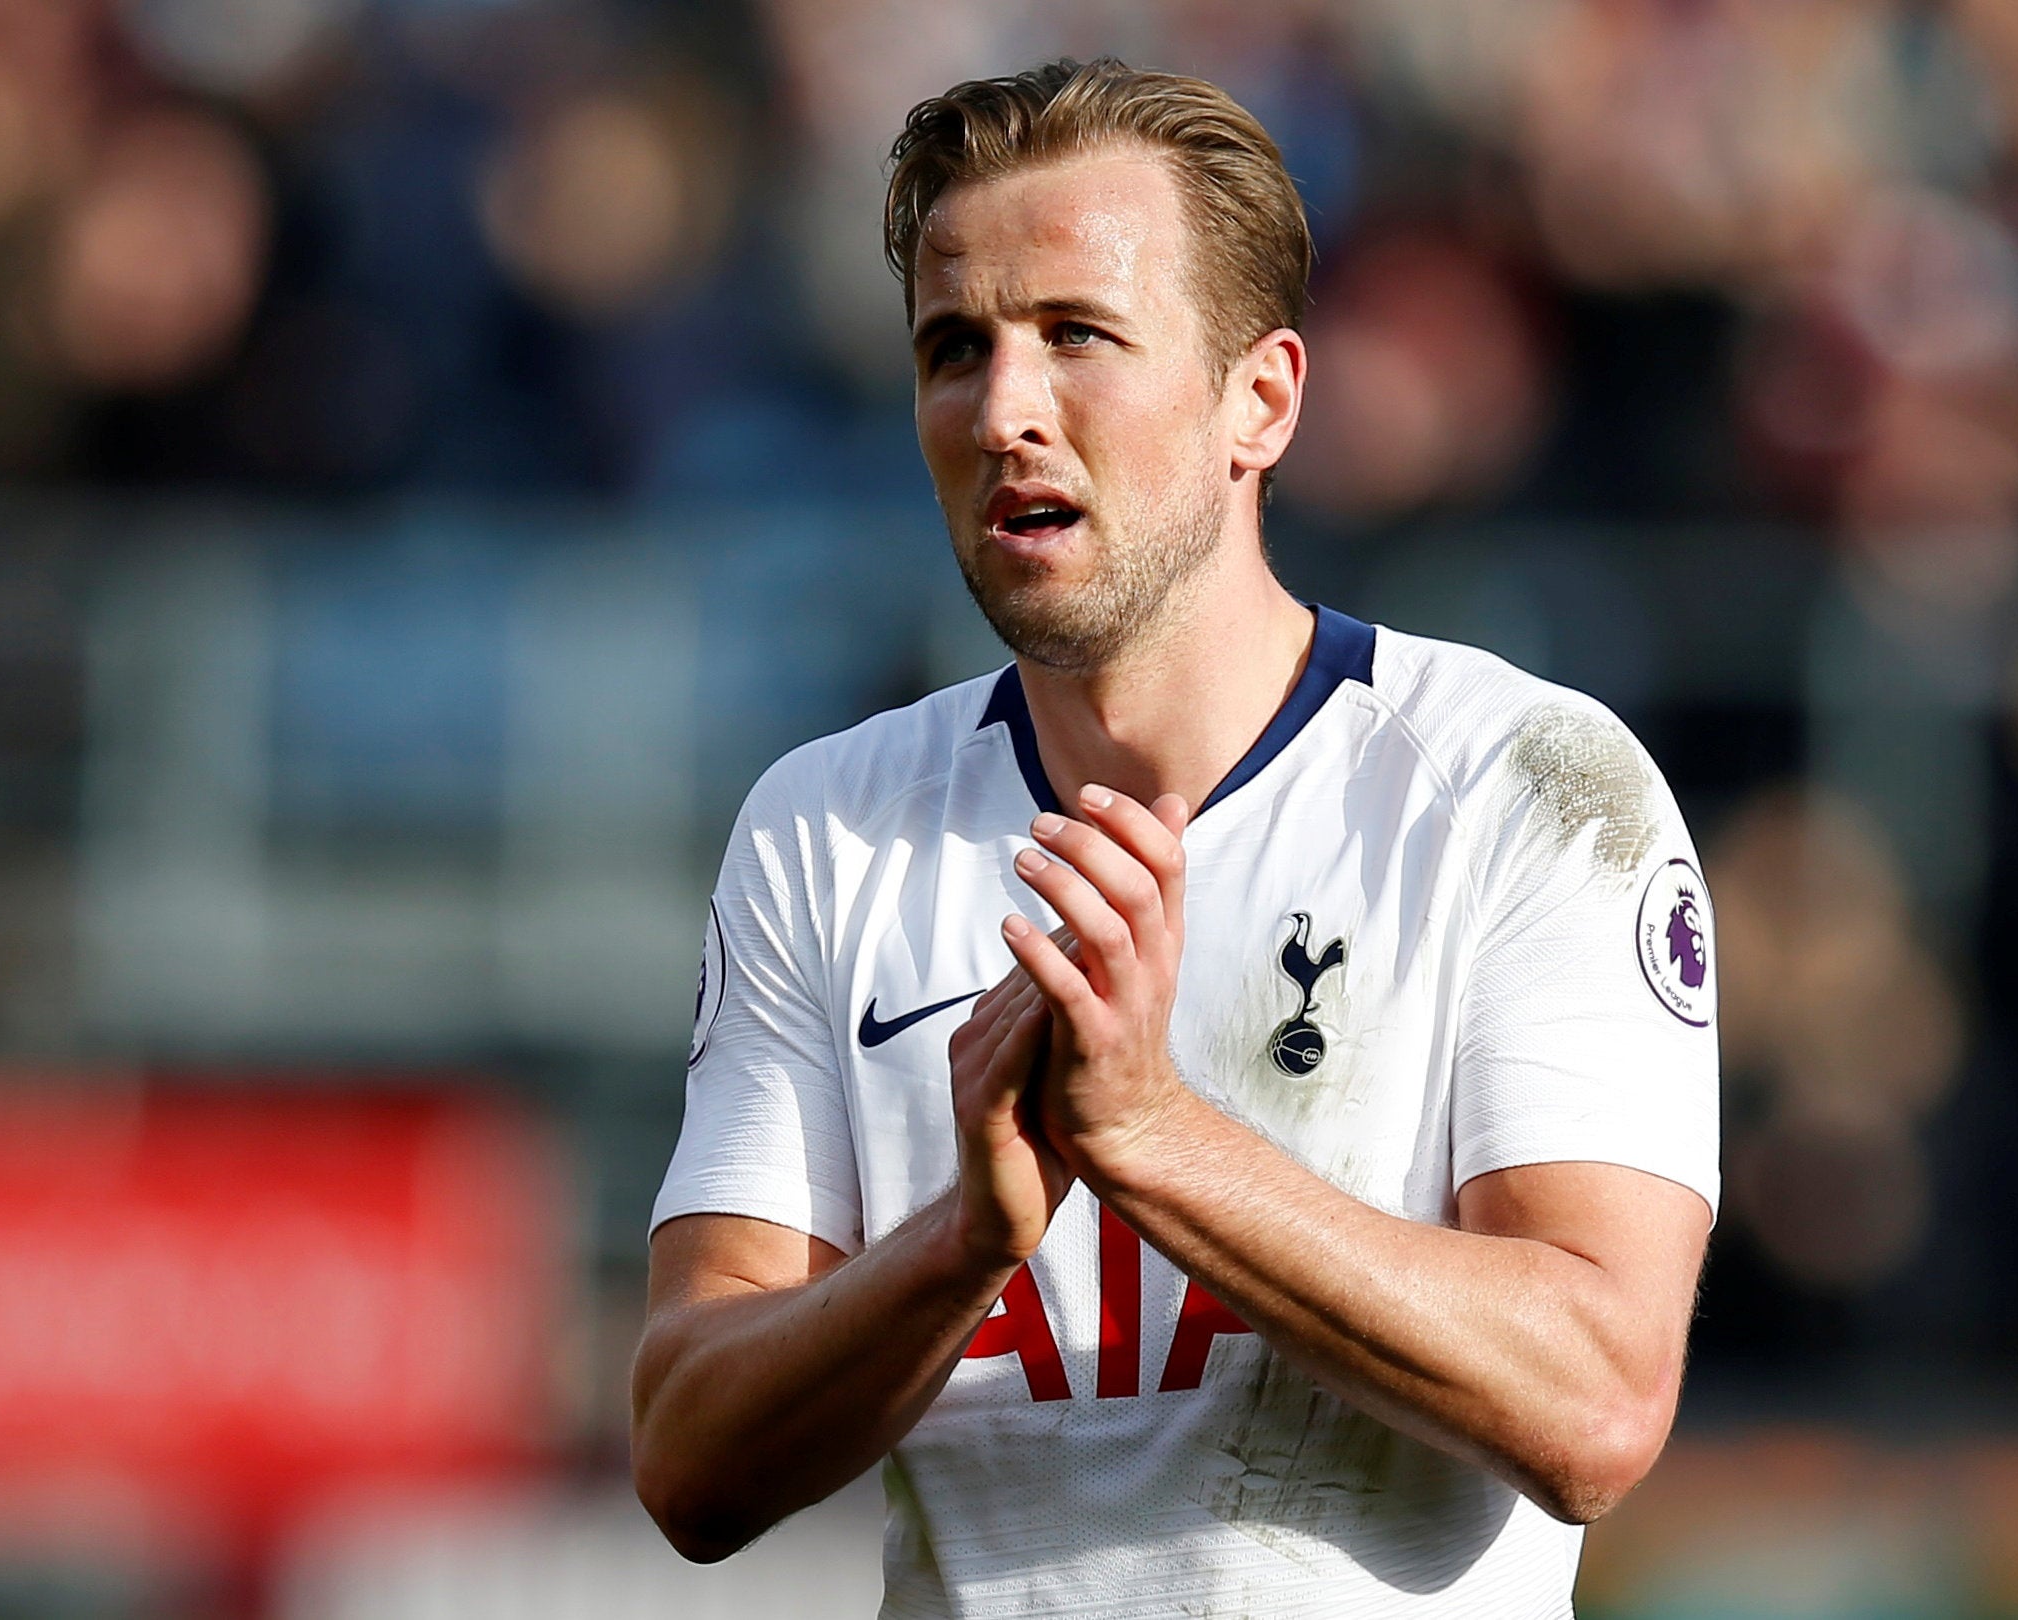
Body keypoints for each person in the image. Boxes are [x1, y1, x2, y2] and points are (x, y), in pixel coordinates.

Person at [632, 56, 1718, 1618]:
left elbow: (1597, 1402)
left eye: (1078, 335)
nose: (1005, 409)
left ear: (1258, 399)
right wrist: (958, 1246)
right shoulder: (828, 827)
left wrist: (1147, 1139)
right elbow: (685, 1449)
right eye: (955, 348)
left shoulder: (1520, 784)